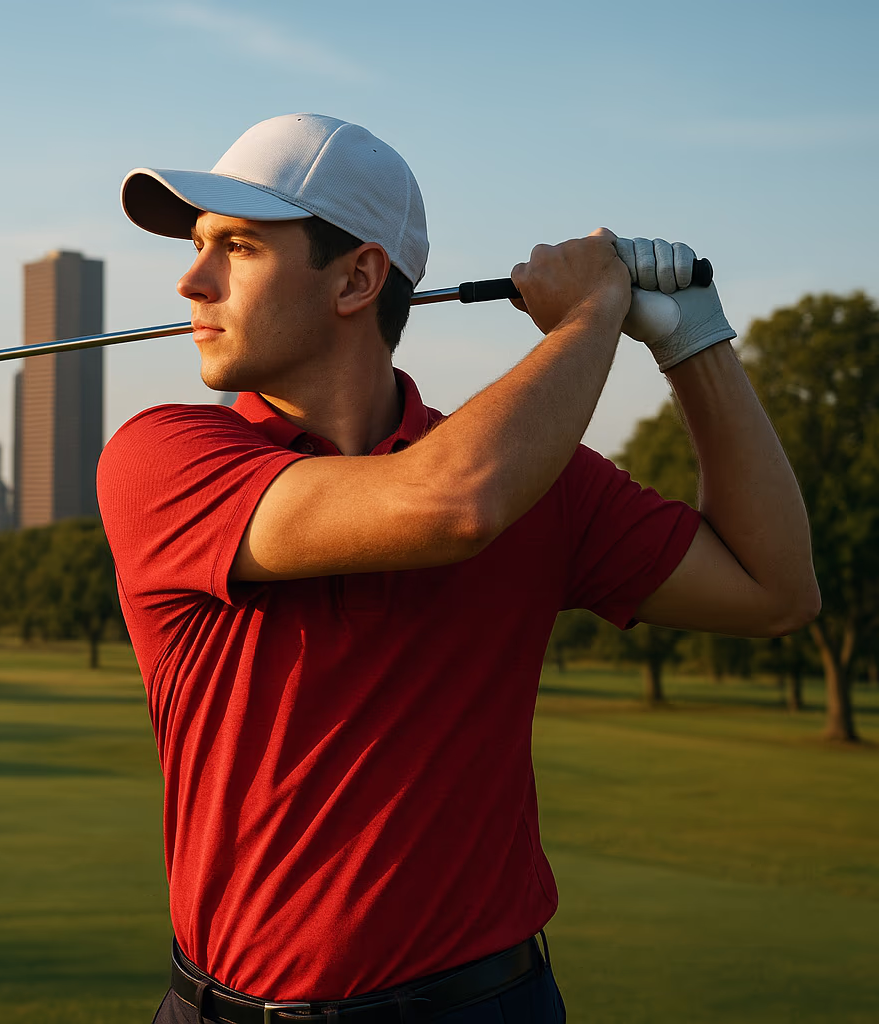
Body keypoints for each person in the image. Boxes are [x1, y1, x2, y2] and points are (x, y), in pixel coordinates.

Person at [97, 113, 819, 1024]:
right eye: (200, 247)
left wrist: (694, 340)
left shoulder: (535, 477)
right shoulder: (163, 456)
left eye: (235, 247)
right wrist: (594, 308)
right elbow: (447, 506)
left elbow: (776, 591)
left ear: (358, 277)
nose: (190, 279)